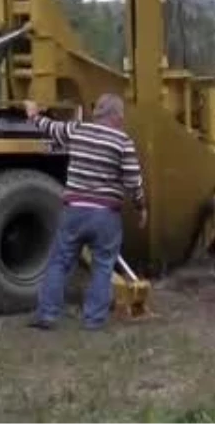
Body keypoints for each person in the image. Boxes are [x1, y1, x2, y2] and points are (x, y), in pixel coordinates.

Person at [25, 94, 147, 331]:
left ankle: (47, 315)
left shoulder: (78, 130)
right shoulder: (123, 141)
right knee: (103, 266)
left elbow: (50, 128)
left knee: (59, 262)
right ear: (117, 116)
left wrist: (32, 114)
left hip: (75, 211)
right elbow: (133, 181)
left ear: (98, 113)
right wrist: (142, 207)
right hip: (105, 216)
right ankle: (93, 320)